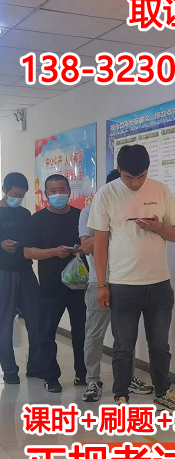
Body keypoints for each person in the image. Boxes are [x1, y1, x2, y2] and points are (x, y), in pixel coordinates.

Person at [88, 145, 175, 406]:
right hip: (123, 284)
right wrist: (101, 285)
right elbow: (99, 245)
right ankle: (121, 394)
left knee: (160, 345)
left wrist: (159, 227)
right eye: (129, 177)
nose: (135, 183)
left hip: (159, 283)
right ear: (119, 169)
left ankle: (163, 392)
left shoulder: (160, 190)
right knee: (123, 346)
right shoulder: (106, 194)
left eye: (141, 176)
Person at [79, 169, 154, 402]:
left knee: (126, 336)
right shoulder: (89, 211)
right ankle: (92, 380)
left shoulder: (136, 209)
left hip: (129, 281)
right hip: (99, 282)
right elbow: (87, 246)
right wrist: (115, 232)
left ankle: (127, 378)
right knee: (94, 334)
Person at [24, 174, 86, 393]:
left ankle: (82, 373)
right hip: (51, 287)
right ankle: (51, 376)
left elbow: (92, 243)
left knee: (82, 332)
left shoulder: (80, 216)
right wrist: (54, 252)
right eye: (53, 191)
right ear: (45, 194)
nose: (58, 194)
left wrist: (81, 249)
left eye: (62, 189)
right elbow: (28, 252)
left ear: (69, 191)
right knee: (47, 334)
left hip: (79, 285)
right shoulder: (38, 219)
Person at [0, 173, 42, 384]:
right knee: (4, 324)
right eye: (15, 194)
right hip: (3, 273)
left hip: (26, 272)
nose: (17, 198)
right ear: (4, 190)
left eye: (21, 195)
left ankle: (35, 366)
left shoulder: (25, 214)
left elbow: (32, 239)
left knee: (37, 321)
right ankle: (9, 371)